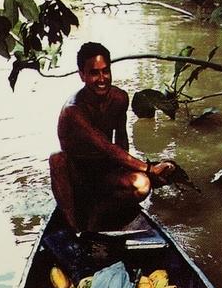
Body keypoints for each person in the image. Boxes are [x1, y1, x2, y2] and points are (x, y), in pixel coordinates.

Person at [54, 42, 175, 232]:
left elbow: (121, 144)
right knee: (57, 159)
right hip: (77, 176)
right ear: (82, 75)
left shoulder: (119, 98)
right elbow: (105, 146)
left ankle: (100, 209)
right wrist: (150, 168)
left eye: (105, 71)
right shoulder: (73, 110)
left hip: (104, 171)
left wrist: (146, 173)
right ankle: (73, 226)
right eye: (94, 73)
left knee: (142, 185)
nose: (102, 79)